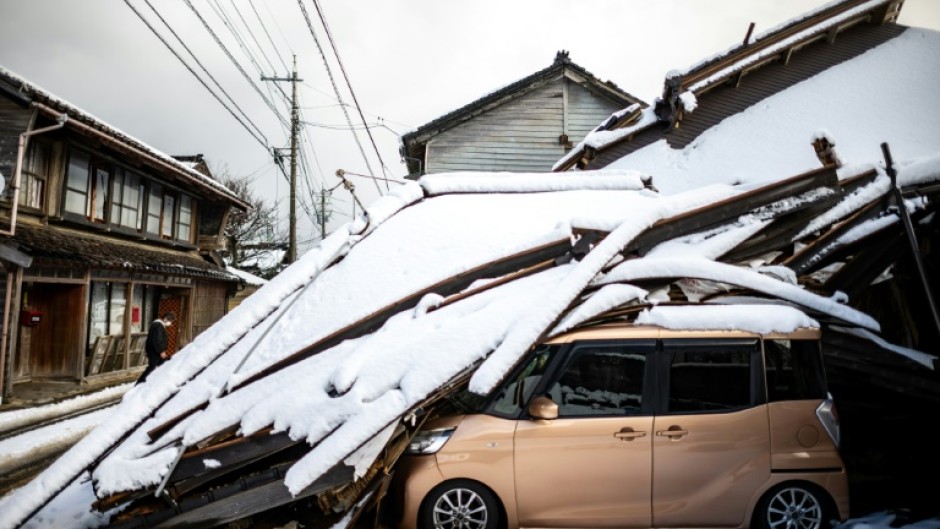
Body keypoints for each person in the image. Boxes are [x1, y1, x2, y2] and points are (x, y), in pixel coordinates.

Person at [136, 312, 175, 385]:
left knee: (162, 364)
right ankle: (139, 383)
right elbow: (158, 339)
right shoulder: (158, 326)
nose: (170, 323)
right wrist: (161, 351)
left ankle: (158, 382)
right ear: (165, 319)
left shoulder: (158, 325)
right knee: (152, 366)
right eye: (170, 321)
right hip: (155, 351)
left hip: (154, 350)